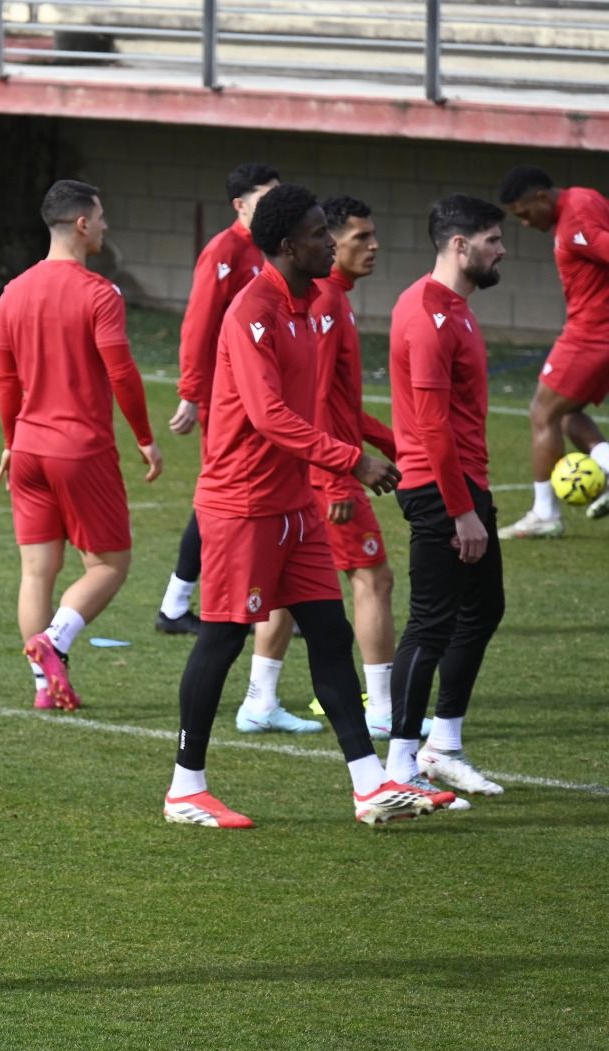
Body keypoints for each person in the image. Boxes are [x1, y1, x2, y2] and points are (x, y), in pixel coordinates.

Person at [162, 184, 454, 829]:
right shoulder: (253, 310)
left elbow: (317, 408)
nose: (333, 242)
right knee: (223, 636)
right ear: (290, 245)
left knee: (329, 631)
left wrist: (376, 444)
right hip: (243, 503)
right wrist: (352, 461)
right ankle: (186, 787)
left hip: (295, 500)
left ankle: (369, 784)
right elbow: (268, 416)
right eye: (323, 233)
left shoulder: (306, 307)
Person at [234, 196, 426, 742]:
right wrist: (337, 475)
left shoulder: (329, 301)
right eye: (358, 237)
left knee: (290, 589)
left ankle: (261, 699)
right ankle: (383, 709)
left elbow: (338, 403)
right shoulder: (321, 304)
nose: (373, 246)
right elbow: (309, 402)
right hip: (328, 473)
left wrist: (398, 442)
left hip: (323, 466)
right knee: (373, 579)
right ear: (325, 243)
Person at [0, 180, 161, 710]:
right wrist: (146, 438)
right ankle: (55, 641)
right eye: (102, 217)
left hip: (28, 449)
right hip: (80, 450)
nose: (107, 226)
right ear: (82, 224)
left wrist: (9, 440)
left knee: (37, 572)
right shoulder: (99, 293)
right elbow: (123, 374)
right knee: (109, 565)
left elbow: (5, 379)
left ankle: (44, 689)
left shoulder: (13, 290)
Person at [384, 197, 510, 799]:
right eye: (491, 239)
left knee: (483, 610)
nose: (502, 250)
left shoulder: (456, 309)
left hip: (464, 486)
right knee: (430, 623)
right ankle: (400, 766)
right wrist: (462, 509)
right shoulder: (426, 312)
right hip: (439, 491)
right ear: (459, 245)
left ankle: (443, 745)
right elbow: (431, 424)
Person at [157, 162, 280, 636]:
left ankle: (279, 603)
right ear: (240, 205)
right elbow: (198, 324)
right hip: (227, 402)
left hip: (262, 396)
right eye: (265, 197)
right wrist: (191, 393)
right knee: (225, 498)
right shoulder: (225, 251)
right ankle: (185, 604)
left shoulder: (269, 250)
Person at [494, 166, 609, 538]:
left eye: (525, 214)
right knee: (564, 413)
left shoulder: (576, 218)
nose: (526, 223)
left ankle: (545, 513)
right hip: (591, 331)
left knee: (542, 412)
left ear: (542, 197)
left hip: (591, 334)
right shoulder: (583, 197)